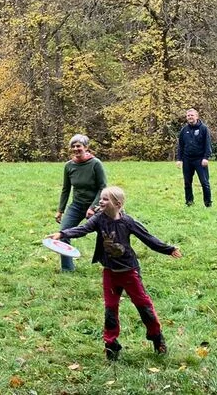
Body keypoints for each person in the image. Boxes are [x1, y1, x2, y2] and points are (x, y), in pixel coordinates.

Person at [49, 186, 182, 360]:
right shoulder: (98, 219)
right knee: (110, 310)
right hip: (110, 273)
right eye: (101, 198)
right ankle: (111, 345)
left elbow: (148, 238)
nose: (101, 202)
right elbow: (83, 229)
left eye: (105, 199)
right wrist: (62, 233)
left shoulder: (127, 222)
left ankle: (157, 338)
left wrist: (169, 249)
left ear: (117, 204)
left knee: (144, 307)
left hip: (129, 272)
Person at [56, 134, 107, 272]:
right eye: (73, 146)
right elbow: (66, 189)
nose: (75, 148)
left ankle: (110, 266)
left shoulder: (95, 164)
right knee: (63, 233)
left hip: (97, 206)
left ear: (86, 147)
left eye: (78, 146)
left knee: (108, 235)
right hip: (77, 205)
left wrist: (93, 207)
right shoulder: (69, 166)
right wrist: (60, 210)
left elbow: (103, 187)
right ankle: (67, 268)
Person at [175, 108, 213, 207]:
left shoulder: (203, 128)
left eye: (192, 115)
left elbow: (207, 144)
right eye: (188, 116)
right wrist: (179, 159)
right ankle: (189, 202)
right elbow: (181, 146)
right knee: (187, 183)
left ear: (196, 116)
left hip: (200, 160)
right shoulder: (184, 130)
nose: (190, 117)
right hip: (187, 160)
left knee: (204, 183)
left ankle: (208, 204)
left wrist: (206, 157)